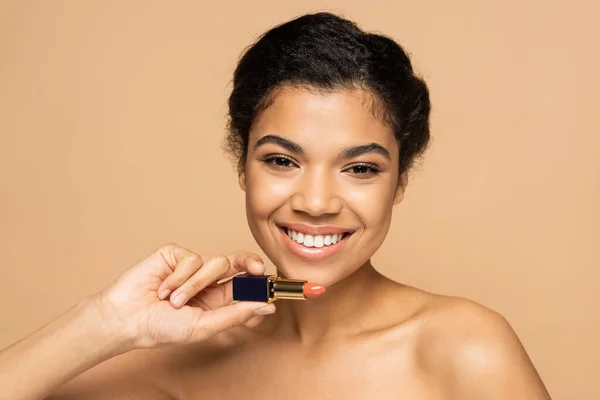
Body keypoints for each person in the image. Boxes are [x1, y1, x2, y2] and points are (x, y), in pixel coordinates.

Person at [0, 12, 551, 400]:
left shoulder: (465, 348)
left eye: (360, 168)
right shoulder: (181, 351)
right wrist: (107, 322)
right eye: (282, 161)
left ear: (399, 180)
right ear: (243, 164)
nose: (315, 203)